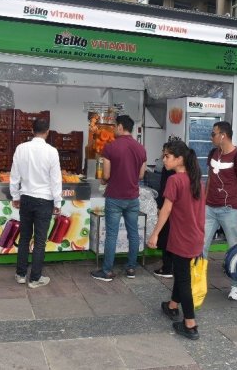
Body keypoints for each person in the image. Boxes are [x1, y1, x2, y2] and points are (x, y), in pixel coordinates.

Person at [148, 140, 205, 340]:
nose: (164, 160)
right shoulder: (196, 179)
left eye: (167, 156)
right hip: (195, 236)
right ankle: (172, 306)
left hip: (182, 237)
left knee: (183, 280)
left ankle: (190, 324)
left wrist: (155, 233)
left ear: (179, 159)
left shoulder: (174, 180)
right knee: (182, 273)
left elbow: (166, 210)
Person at [91, 115, 147, 281]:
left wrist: (103, 180)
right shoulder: (141, 149)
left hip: (114, 197)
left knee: (112, 235)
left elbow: (106, 175)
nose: (115, 129)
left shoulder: (111, 147)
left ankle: (107, 271)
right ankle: (131, 268)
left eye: (116, 126)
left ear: (121, 127)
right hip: (132, 198)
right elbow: (141, 175)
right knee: (133, 234)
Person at [10, 118, 62, 289]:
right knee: (40, 241)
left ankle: (20, 274)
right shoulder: (52, 151)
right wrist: (58, 202)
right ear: (47, 132)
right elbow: (56, 180)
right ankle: (35, 278)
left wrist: (15, 196)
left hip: (26, 198)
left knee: (24, 237)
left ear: (32, 131)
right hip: (45, 200)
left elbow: (14, 176)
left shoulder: (21, 148)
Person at [203, 121, 237, 301]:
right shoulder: (213, 153)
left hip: (231, 209)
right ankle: (197, 281)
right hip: (210, 208)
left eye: (213, 134)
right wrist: (204, 202)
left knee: (234, 250)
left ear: (223, 135)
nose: (211, 137)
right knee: (200, 245)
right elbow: (210, 179)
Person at [153, 142, 176, 278]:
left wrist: (160, 206)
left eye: (166, 154)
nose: (163, 157)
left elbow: (164, 190)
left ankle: (168, 267)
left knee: (166, 236)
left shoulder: (170, 171)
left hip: (168, 207)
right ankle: (170, 266)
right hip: (172, 208)